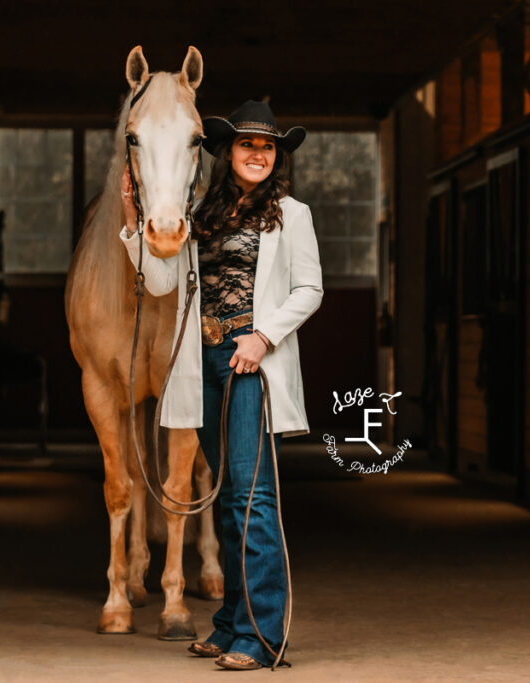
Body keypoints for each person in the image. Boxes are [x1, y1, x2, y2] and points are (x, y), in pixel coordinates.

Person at [118, 99, 323, 670]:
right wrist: (137, 228)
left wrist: (263, 338)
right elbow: (161, 283)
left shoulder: (291, 214)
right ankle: (232, 623)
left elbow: (309, 290)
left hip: (252, 363)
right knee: (227, 500)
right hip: (203, 364)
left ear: (276, 156)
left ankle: (262, 637)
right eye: (246, 144)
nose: (257, 153)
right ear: (227, 153)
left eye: (266, 145)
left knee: (254, 499)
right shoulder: (201, 214)